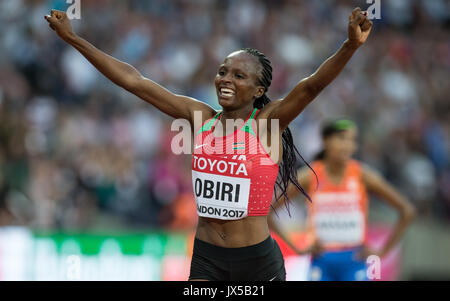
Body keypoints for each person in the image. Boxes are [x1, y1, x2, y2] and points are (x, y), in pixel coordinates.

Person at [45, 7, 373, 281]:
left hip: (256, 263)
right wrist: (74, 39)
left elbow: (311, 86)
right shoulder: (200, 116)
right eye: (222, 71)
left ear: (259, 91)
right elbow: (135, 81)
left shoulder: (266, 123)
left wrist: (350, 46)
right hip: (206, 260)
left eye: (239, 76)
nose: (226, 79)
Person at [269, 119, 416, 281]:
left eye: (352, 140)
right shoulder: (310, 175)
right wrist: (296, 247)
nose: (347, 145)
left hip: (354, 260)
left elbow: (407, 210)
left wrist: (383, 252)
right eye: (341, 138)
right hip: (321, 260)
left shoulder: (362, 175)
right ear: (325, 141)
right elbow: (268, 210)